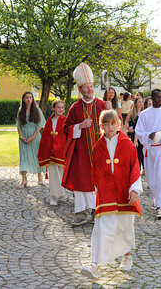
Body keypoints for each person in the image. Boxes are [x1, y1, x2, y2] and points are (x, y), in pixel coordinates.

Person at [81, 110, 142, 279]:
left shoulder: (128, 145)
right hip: (106, 195)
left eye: (112, 123)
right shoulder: (98, 147)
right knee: (102, 228)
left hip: (125, 194)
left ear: (119, 124)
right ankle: (94, 265)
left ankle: (127, 256)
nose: (109, 127)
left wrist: (135, 190)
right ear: (101, 126)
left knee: (124, 227)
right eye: (105, 124)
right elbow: (96, 172)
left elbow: (135, 168)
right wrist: (101, 187)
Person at [62, 62, 111, 226]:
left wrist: (110, 113)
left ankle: (97, 210)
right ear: (80, 89)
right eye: (86, 87)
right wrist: (79, 126)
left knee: (99, 181)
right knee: (82, 181)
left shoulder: (102, 105)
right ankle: (81, 214)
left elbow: (113, 126)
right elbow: (65, 128)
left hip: (100, 151)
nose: (90, 89)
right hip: (81, 153)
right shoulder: (75, 108)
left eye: (91, 86)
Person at [135, 89, 161, 219]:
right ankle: (157, 199)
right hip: (149, 150)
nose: (160, 99)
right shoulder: (144, 114)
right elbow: (139, 131)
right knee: (152, 180)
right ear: (152, 98)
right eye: (157, 97)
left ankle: (160, 207)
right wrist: (148, 135)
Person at [38, 100, 66, 205]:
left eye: (62, 107)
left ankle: (61, 193)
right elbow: (45, 138)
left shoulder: (66, 121)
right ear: (53, 108)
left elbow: (67, 136)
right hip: (50, 152)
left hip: (61, 151)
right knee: (53, 174)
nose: (60, 109)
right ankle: (53, 196)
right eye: (58, 107)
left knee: (61, 174)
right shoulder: (49, 122)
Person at [17, 91, 46, 189]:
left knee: (37, 156)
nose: (29, 99)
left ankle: (39, 176)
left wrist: (33, 137)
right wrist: (21, 137)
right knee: (24, 159)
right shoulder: (20, 110)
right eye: (27, 97)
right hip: (23, 137)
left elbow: (40, 125)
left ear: (32, 99)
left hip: (35, 137)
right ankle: (24, 180)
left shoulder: (37, 110)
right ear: (24, 99)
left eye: (30, 97)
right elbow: (18, 126)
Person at [125, 97, 144, 172]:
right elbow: (126, 121)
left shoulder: (144, 112)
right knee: (135, 150)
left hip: (141, 134)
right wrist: (128, 128)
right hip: (133, 133)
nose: (141, 104)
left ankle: (144, 168)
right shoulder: (131, 112)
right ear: (136, 103)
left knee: (142, 150)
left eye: (142, 102)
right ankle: (137, 168)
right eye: (139, 102)